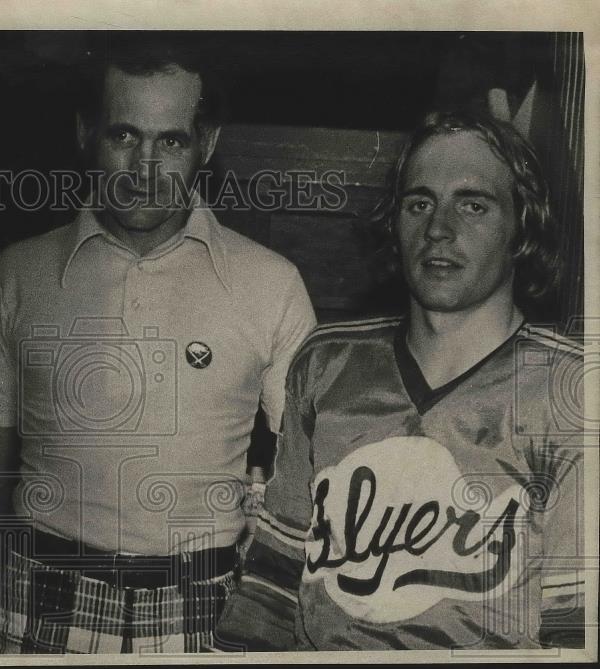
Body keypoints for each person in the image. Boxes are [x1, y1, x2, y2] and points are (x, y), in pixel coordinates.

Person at [0, 37, 316, 654]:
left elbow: (313, 478)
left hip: (207, 602)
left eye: (171, 141)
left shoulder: (271, 284)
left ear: (207, 144)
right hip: (41, 594)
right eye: (124, 136)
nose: (145, 167)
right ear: (85, 132)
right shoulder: (19, 274)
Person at [228, 110, 585, 650]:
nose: (439, 230)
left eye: (473, 205)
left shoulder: (570, 390)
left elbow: (576, 630)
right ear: (393, 223)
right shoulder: (326, 363)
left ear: (522, 228)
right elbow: (270, 588)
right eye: (419, 203)